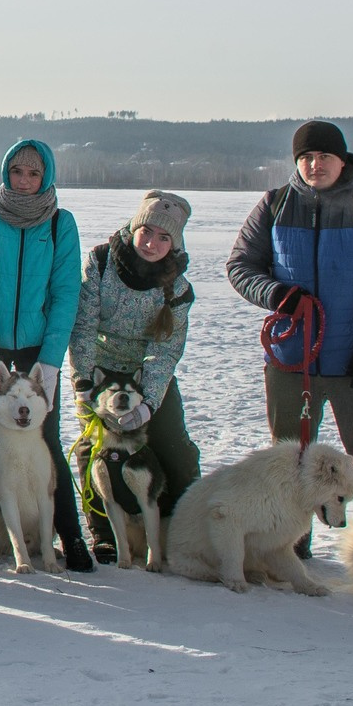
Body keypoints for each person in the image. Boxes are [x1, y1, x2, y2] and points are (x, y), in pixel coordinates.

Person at [227, 119, 353, 498]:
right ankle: (290, 549)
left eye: (325, 156)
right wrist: (278, 295)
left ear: (342, 161)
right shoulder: (274, 204)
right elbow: (240, 266)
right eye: (307, 157)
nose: (316, 164)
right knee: (289, 465)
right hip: (291, 363)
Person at [0, 138, 92, 571]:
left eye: (34, 173)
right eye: (17, 172)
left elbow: (65, 295)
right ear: (5, 173)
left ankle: (71, 538)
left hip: (38, 352)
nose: (24, 181)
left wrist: (51, 362)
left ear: (46, 177)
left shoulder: (60, 225)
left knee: (46, 442)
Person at [67, 190, 204, 562]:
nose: (152, 243)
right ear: (134, 227)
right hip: (100, 370)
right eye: (147, 231)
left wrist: (150, 402)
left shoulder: (177, 287)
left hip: (146, 374)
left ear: (174, 243)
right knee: (94, 450)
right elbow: (83, 326)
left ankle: (184, 526)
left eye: (164, 238)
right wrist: (84, 385)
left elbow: (167, 349)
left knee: (174, 446)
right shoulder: (101, 261)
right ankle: (103, 532)